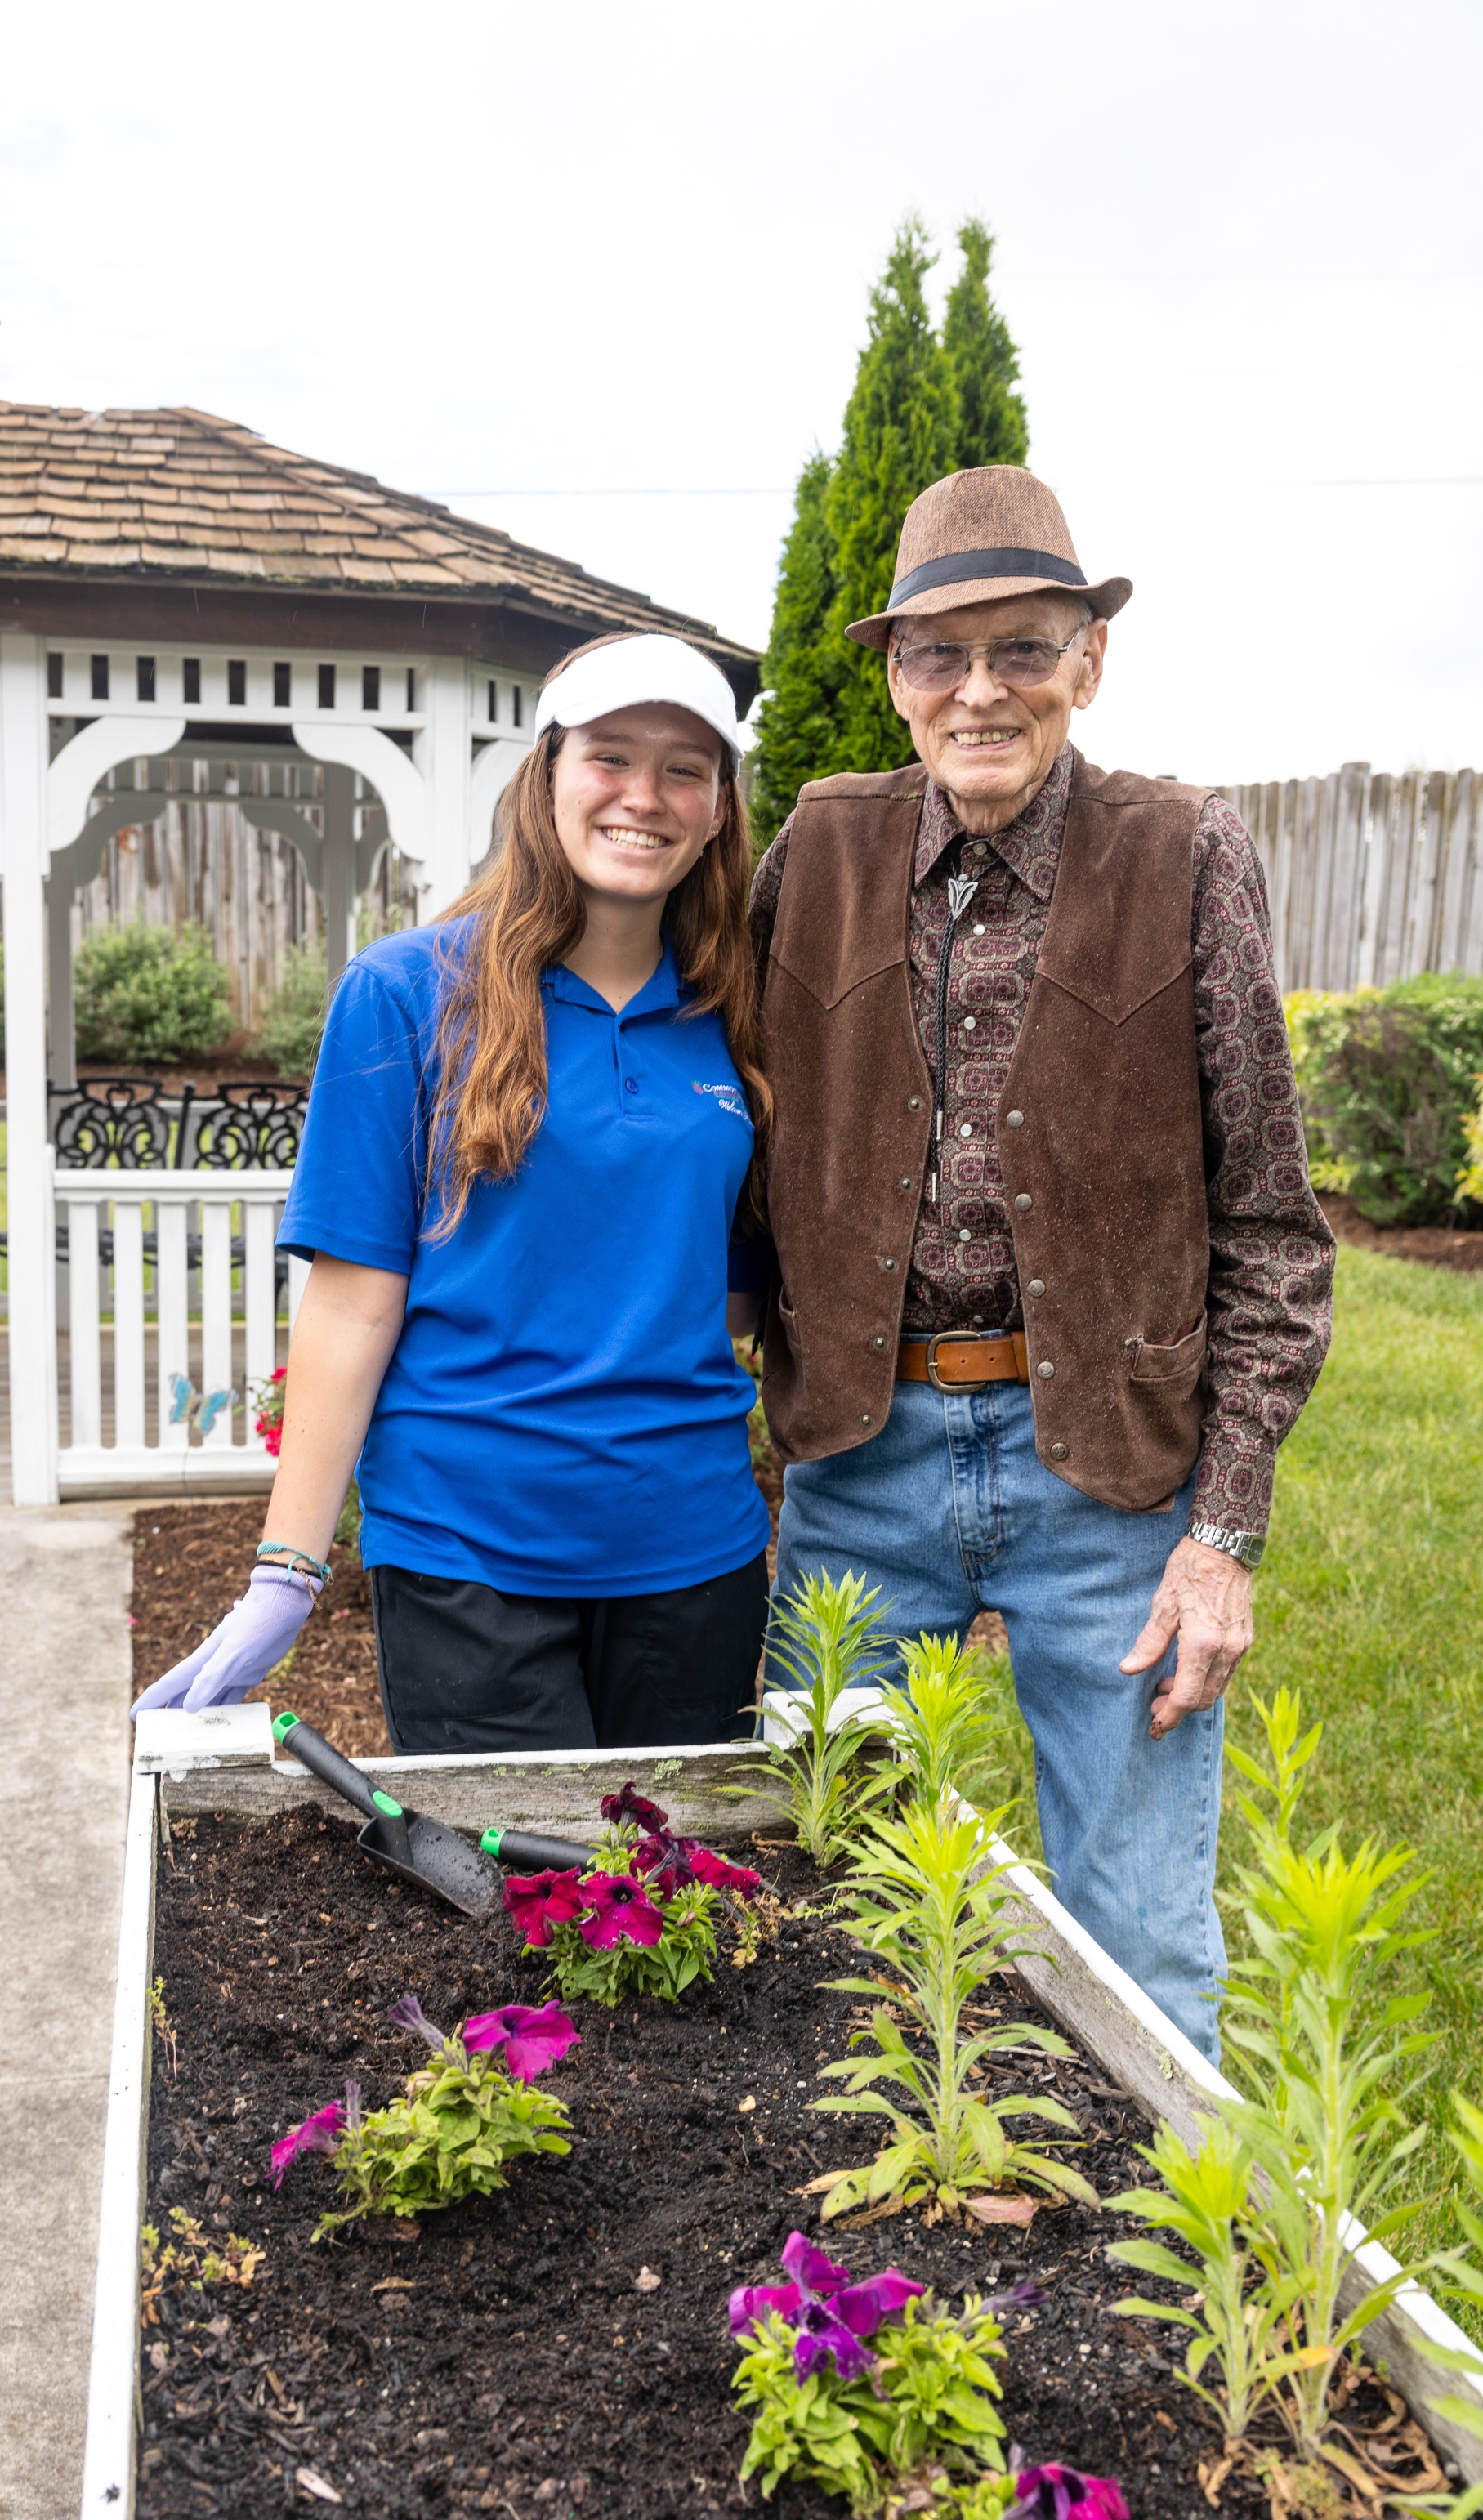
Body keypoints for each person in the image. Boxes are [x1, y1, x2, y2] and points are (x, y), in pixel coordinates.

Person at [750, 466, 1334, 2062]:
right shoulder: (817, 848)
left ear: (1087, 659)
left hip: (1112, 1490)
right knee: (824, 1903)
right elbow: (733, 1159)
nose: (979, 690)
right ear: (891, 677)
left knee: (1140, 1941)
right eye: (938, 656)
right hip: (858, 1468)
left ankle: (1159, 2298)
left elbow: (1272, 1233)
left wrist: (1219, 1534)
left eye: (1021, 648)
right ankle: (861, 2279)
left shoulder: (1184, 854)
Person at [132, 632, 772, 1753]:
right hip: (467, 1556)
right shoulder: (407, 995)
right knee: (509, 1912)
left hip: (694, 1555)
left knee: (672, 1907)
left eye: (685, 769)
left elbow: (731, 1300)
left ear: (720, 809)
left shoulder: (738, 1016)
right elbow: (349, 1299)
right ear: (547, 777)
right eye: (611, 758)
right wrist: (287, 1571)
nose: (645, 797)